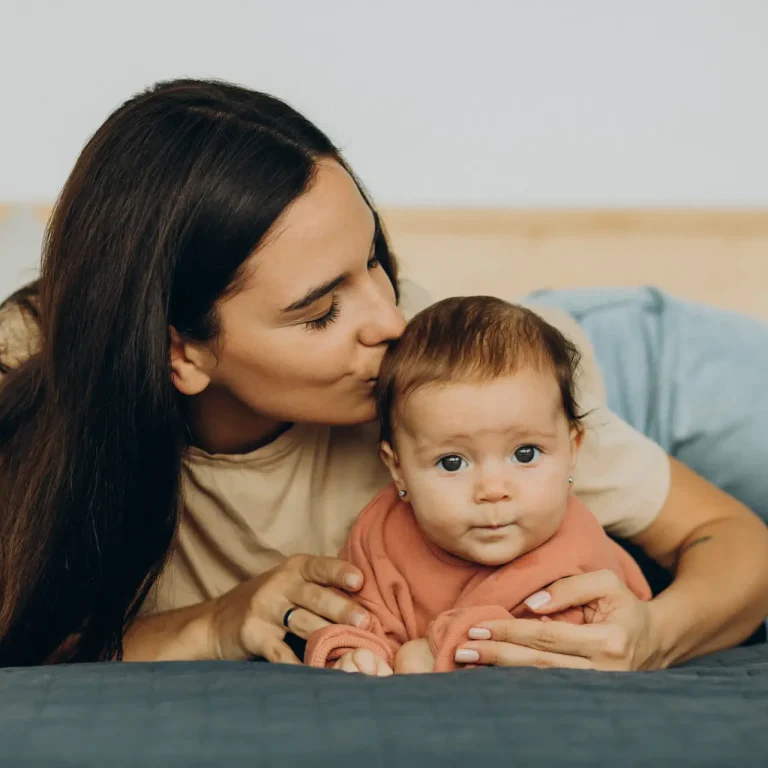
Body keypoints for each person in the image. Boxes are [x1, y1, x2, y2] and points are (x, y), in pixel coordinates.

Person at [0, 78, 766, 669]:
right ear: (181, 353)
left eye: (373, 262)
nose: (389, 323)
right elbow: (39, 637)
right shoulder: (29, 385)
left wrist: (655, 633)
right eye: (320, 311)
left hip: (614, 363)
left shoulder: (442, 375)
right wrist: (214, 621)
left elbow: (734, 539)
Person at [304, 297, 652, 676]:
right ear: (398, 469)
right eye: (452, 462)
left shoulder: (576, 553)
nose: (492, 490)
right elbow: (358, 617)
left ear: (572, 450)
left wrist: (430, 650)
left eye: (525, 453)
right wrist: (357, 653)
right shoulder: (381, 533)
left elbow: (554, 648)